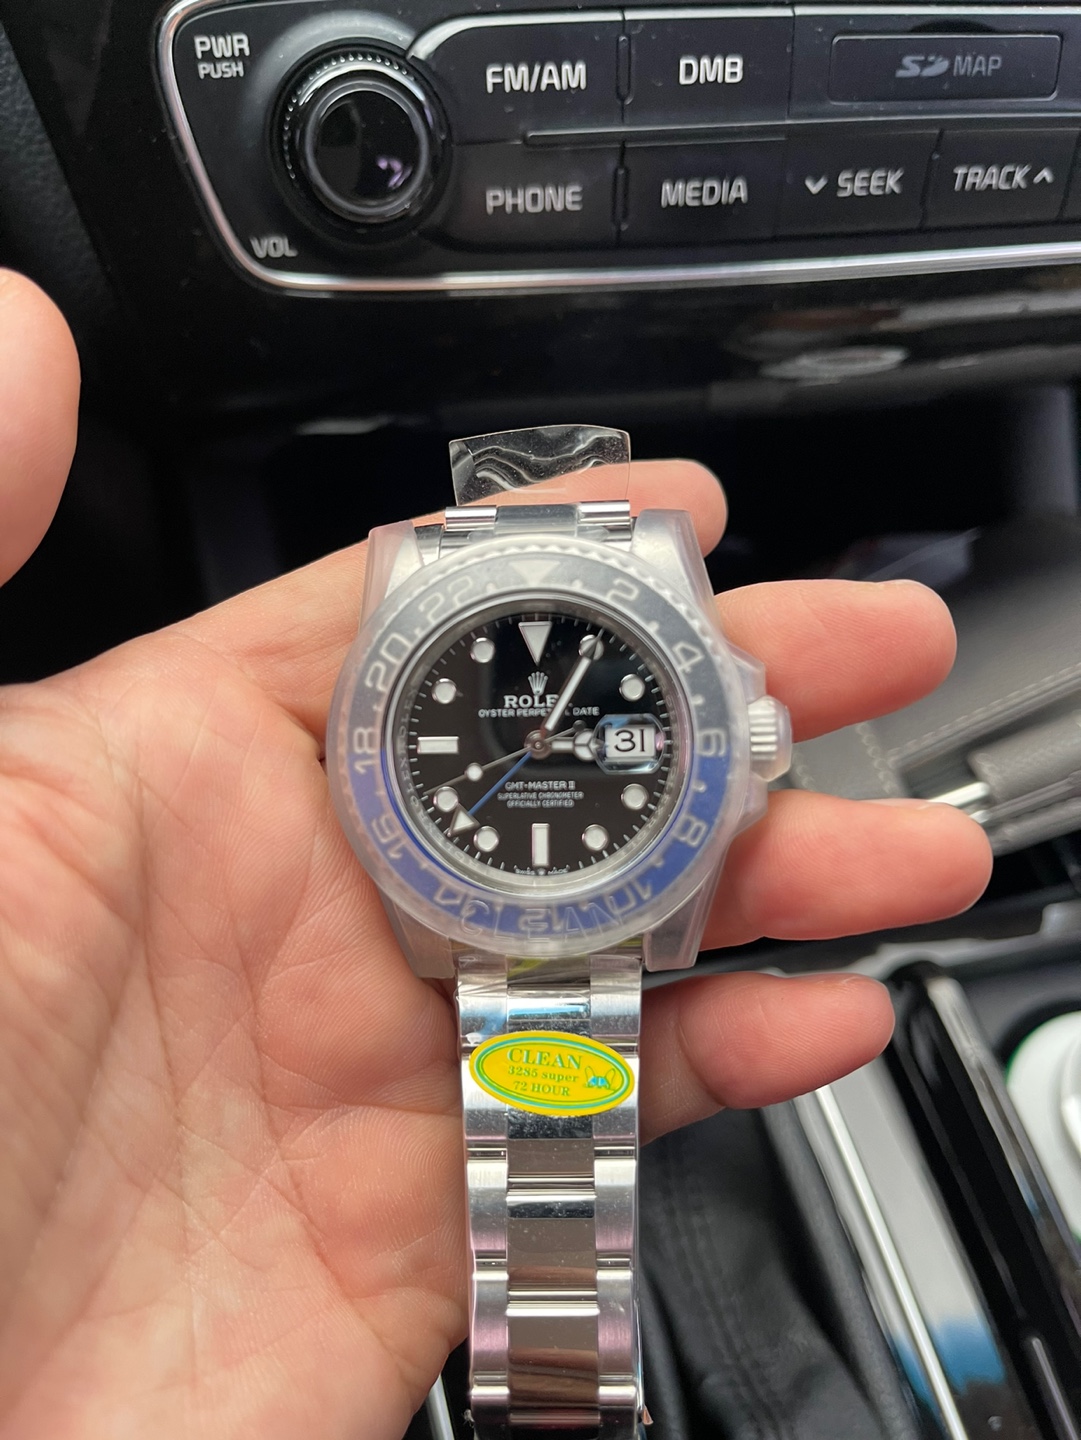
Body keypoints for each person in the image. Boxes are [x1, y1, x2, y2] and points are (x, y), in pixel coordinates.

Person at [0, 268, 991, 1438]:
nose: (542, 742)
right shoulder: (426, 752)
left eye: (565, 730)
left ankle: (555, 1391)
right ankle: (558, 1391)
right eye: (524, 735)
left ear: (741, 740)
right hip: (499, 908)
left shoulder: (594, 731)